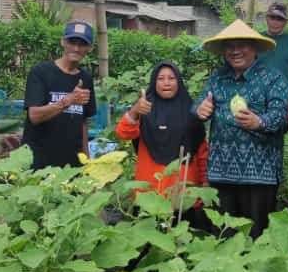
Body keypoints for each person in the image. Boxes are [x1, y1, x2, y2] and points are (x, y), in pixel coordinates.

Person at [194, 20, 288, 238]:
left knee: (257, 234)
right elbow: (197, 106)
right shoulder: (217, 78)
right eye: (230, 46)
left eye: (242, 45)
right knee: (224, 233)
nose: (235, 51)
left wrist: (260, 122)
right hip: (222, 171)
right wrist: (201, 109)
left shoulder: (273, 77)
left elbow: (283, 116)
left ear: (254, 48)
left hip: (260, 174)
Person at [114, 62, 209, 221]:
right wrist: (134, 111)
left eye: (171, 78)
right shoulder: (144, 107)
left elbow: (201, 150)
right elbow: (123, 134)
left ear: (178, 82)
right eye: (161, 78)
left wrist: (205, 182)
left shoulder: (192, 110)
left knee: (183, 240)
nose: (166, 82)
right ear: (154, 82)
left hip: (184, 194)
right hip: (149, 193)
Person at [23, 20, 98, 170]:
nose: (76, 48)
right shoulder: (41, 72)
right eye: (72, 42)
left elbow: (83, 122)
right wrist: (68, 101)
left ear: (89, 48)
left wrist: (87, 160)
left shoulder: (86, 78)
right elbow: (34, 116)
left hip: (72, 165)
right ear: (63, 42)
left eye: (82, 44)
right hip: (40, 163)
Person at [258, 2, 288, 90]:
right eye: (272, 17)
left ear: (286, 22)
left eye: (280, 19)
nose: (275, 22)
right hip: (259, 92)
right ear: (266, 18)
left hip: (286, 93)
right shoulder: (257, 39)